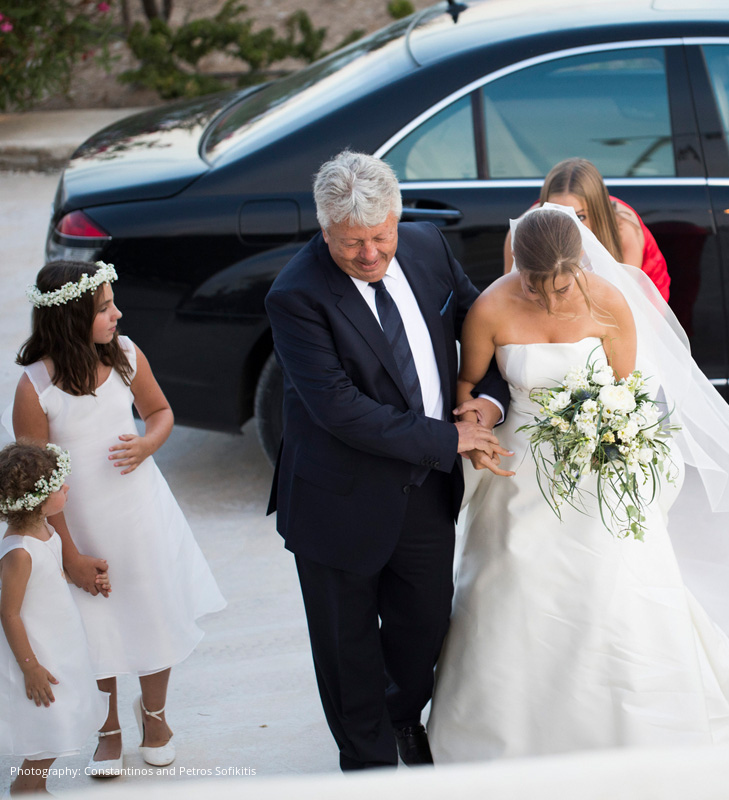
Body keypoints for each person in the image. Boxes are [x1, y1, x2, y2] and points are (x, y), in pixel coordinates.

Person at [427, 205, 729, 761]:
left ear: (579, 265)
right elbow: (470, 384)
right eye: (536, 287)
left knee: (615, 584)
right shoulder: (490, 307)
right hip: (522, 468)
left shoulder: (610, 301)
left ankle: (626, 723)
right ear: (519, 267)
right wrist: (476, 417)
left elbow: (626, 389)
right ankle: (511, 733)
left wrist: (611, 435)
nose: (551, 300)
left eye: (562, 286)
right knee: (515, 583)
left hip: (599, 467)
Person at [264, 151, 511, 772]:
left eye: (380, 237)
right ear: (325, 229)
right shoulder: (294, 295)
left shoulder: (428, 247)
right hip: (337, 503)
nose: (370, 254)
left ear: (398, 220)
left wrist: (486, 402)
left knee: (423, 628)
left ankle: (401, 715)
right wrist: (449, 439)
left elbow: (486, 326)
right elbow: (339, 408)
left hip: (424, 491)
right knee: (346, 651)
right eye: (352, 243)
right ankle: (368, 767)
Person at [12, 261, 226, 775]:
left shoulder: (127, 355)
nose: (117, 314)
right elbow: (37, 484)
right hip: (79, 527)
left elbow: (160, 412)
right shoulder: (35, 388)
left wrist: (148, 444)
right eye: (104, 307)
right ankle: (107, 730)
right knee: (96, 628)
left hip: (140, 515)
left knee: (153, 613)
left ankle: (155, 716)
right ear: (70, 317)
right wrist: (70, 556)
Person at [1, 441, 110, 794]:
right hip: (37, 651)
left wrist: (88, 580)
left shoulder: (46, 530)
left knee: (60, 717)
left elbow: (52, 577)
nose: (67, 488)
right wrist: (30, 667)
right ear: (37, 499)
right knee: (49, 722)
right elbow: (9, 612)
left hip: (59, 641)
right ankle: (26, 788)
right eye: (59, 486)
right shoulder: (19, 552)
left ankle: (35, 787)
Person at [503, 157, 671, 302]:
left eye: (580, 217)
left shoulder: (624, 232)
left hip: (636, 299)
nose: (566, 226)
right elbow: (509, 296)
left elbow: (623, 303)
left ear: (597, 213)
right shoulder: (520, 233)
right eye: (557, 214)